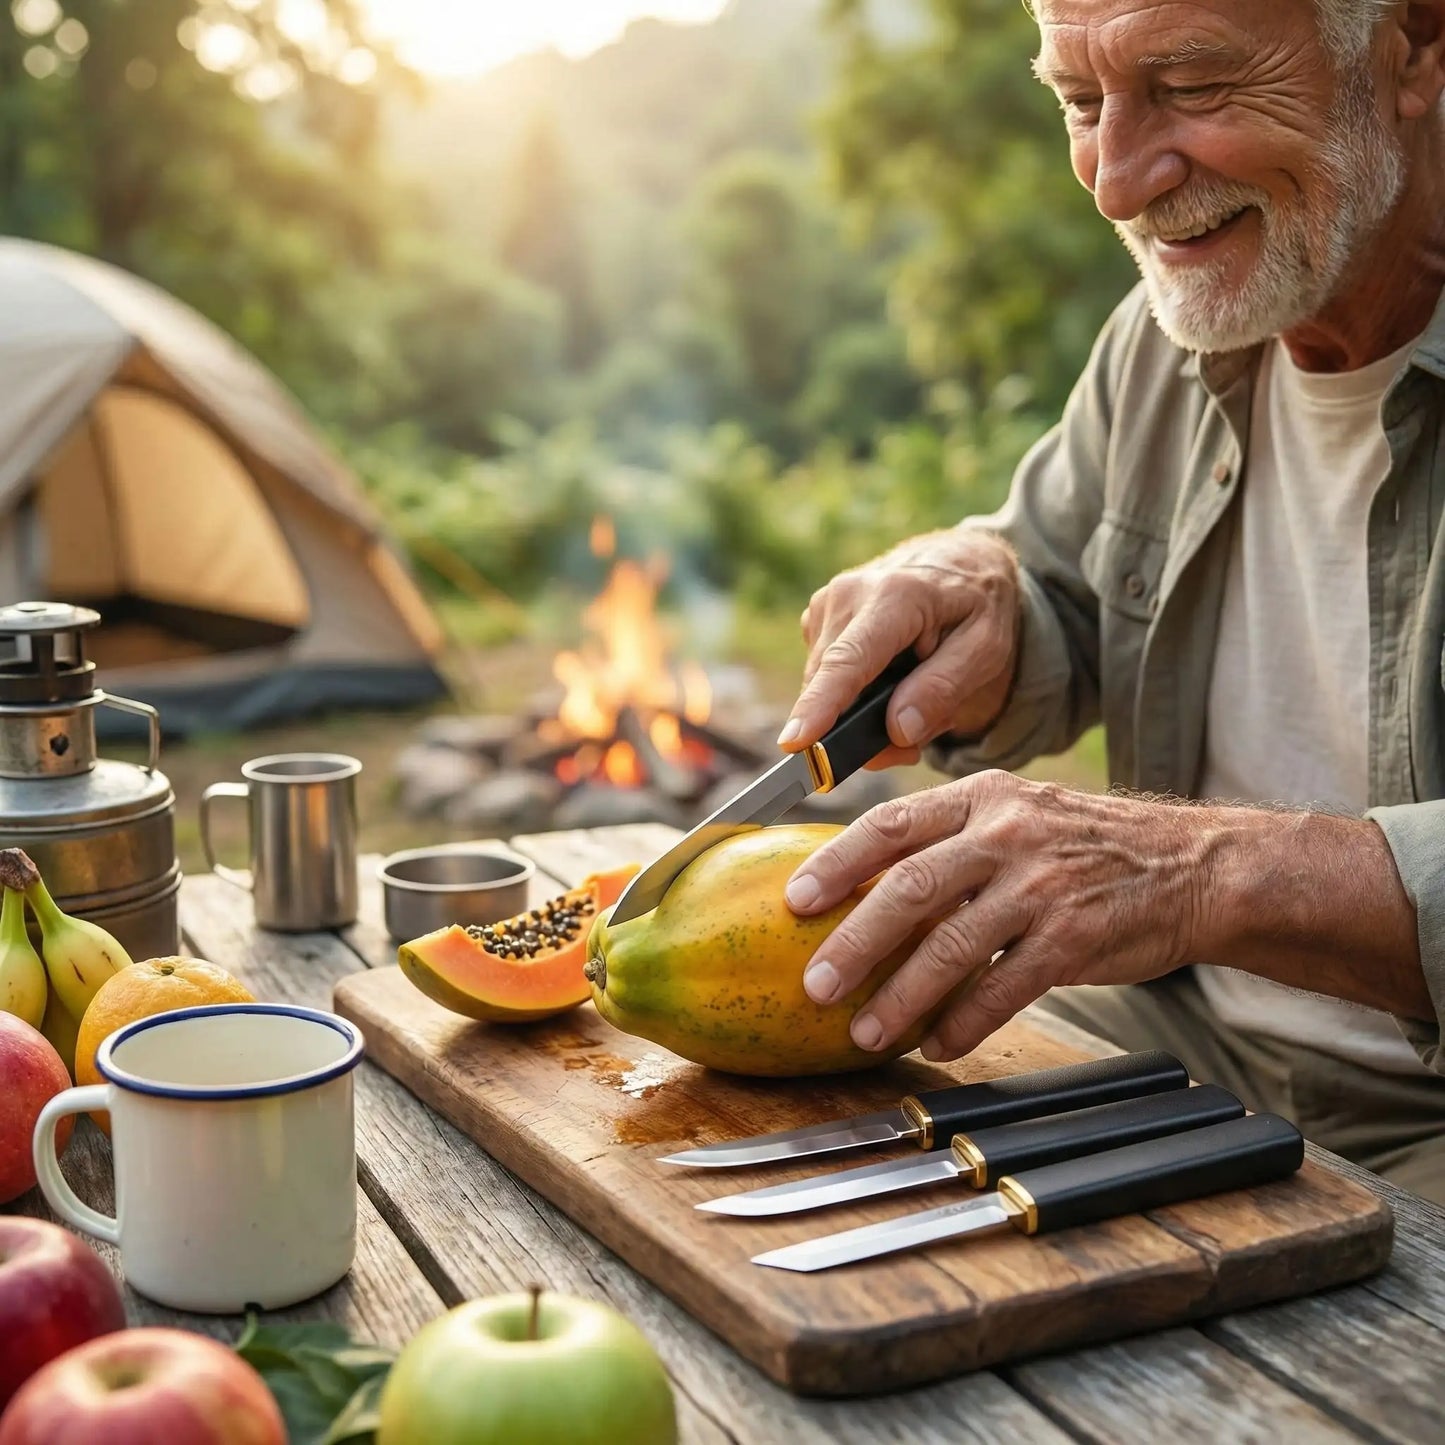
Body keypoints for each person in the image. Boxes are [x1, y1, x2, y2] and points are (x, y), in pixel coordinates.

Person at [777, 0, 1445, 1203]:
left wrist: (1195, 873)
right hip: (1187, 1040)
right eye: (1079, 103)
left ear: (1412, 43)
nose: (1115, 182)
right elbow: (1055, 585)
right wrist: (976, 589)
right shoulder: (1167, 333)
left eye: (1189, 84)